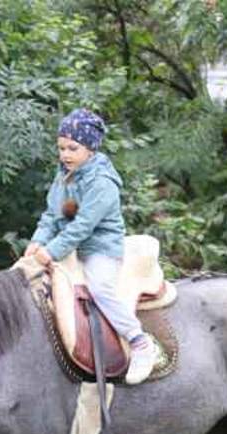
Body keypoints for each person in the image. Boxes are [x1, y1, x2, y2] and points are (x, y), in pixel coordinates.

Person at [24, 108, 159, 385]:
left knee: (100, 288)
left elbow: (82, 226)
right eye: (61, 148)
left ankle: (139, 341)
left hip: (99, 248)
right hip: (70, 248)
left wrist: (51, 251)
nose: (65, 154)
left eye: (73, 148)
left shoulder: (102, 183)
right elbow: (52, 215)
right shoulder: (64, 175)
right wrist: (37, 240)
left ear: (90, 148)